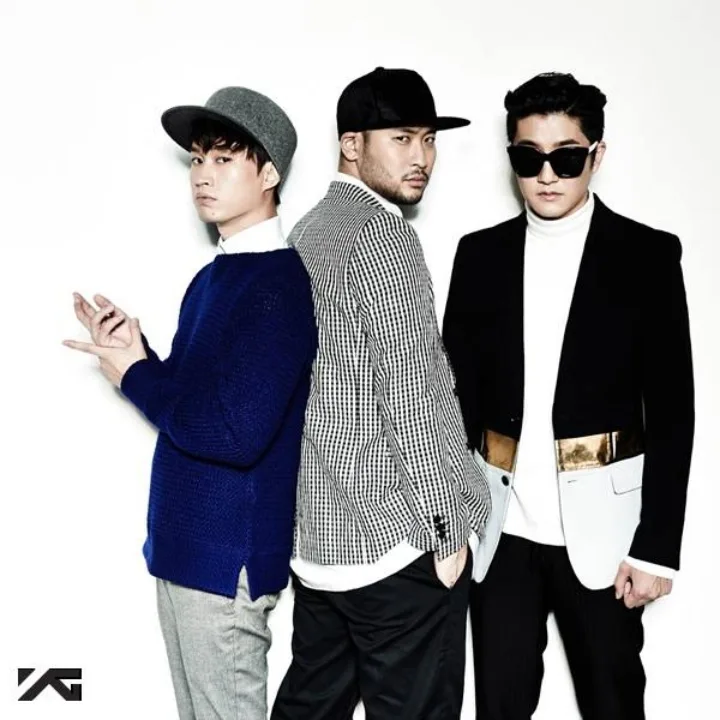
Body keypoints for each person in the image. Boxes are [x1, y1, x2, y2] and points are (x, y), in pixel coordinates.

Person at [443, 71, 694, 719]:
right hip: (499, 533)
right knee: (499, 707)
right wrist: (449, 525)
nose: (547, 175)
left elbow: (673, 413)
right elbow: (453, 406)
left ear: (596, 155)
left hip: (607, 537)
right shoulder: (479, 256)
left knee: (613, 705)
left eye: (567, 157)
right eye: (529, 159)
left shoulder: (646, 256)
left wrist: (656, 548)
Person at [64, 86, 317, 720]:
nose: (202, 175)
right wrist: (138, 354)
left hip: (225, 561)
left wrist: (134, 378)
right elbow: (192, 399)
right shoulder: (214, 276)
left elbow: (235, 434)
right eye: (199, 159)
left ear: (269, 175)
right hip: (186, 548)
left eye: (224, 159)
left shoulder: (278, 283)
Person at [270, 66, 490, 720]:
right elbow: (411, 394)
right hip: (397, 547)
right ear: (351, 144)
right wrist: (445, 530)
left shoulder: (308, 230)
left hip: (324, 548)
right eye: (401, 138)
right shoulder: (383, 235)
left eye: (428, 139)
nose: (421, 157)